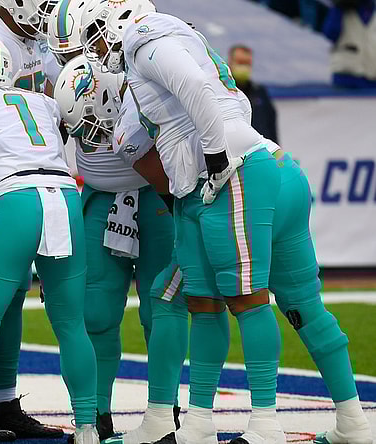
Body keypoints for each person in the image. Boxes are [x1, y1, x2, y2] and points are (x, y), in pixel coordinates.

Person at [80, 4, 286, 443]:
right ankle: (186, 422)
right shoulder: (161, 46)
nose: (97, 49)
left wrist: (213, 158)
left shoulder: (143, 37)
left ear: (118, 20)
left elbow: (195, 87)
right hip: (208, 179)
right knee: (186, 296)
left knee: (247, 297)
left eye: (98, 36)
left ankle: (268, 423)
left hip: (230, 172)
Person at [0, 33, 99, 444]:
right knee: (71, 325)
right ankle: (88, 427)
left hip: (16, 199)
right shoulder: (41, 101)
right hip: (65, 197)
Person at [51, 54, 174, 441]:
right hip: (102, 197)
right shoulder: (62, 71)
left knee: (164, 310)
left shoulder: (149, 73)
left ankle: (164, 412)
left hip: (157, 196)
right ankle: (95, 413)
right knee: (95, 313)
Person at [228, 45, 278, 143]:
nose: (244, 67)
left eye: (247, 64)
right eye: (240, 63)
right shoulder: (223, 92)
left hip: (261, 151)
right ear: (230, 62)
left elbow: (271, 126)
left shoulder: (260, 92)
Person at [323, 0, 376, 88]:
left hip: (373, 79)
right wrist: (338, 8)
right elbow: (330, 33)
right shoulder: (341, 10)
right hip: (346, 77)